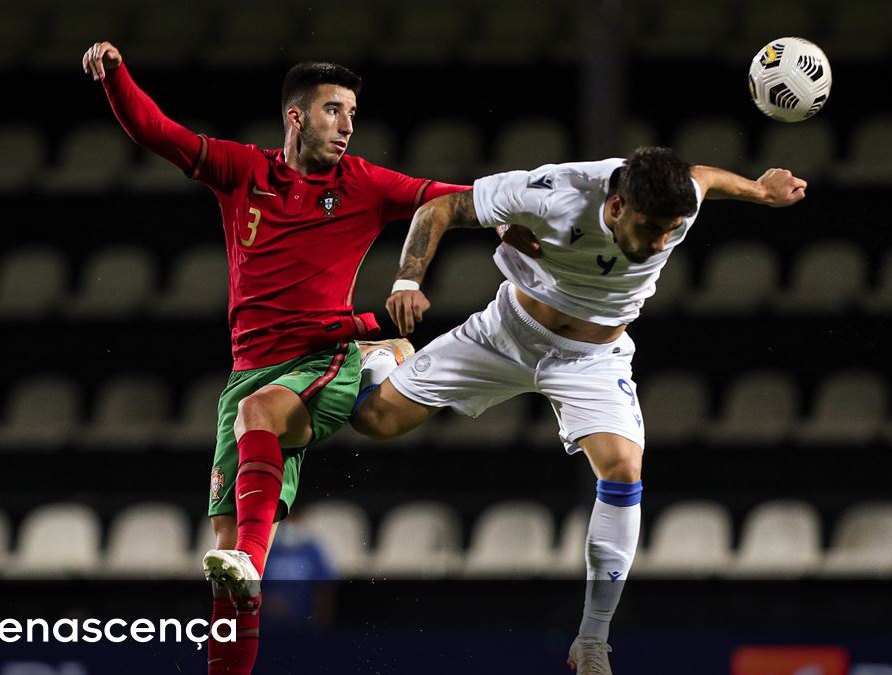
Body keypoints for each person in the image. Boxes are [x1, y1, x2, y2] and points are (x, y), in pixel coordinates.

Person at [81, 41, 535, 674]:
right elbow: (158, 132)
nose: (348, 125)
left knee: (260, 430)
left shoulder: (364, 183)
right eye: (333, 110)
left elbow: (451, 197)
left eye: (353, 112)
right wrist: (115, 77)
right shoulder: (244, 172)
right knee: (221, 560)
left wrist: (514, 214)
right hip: (247, 373)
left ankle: (381, 367)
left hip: (321, 357)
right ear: (296, 117)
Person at [351, 147, 807, 674]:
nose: (661, 243)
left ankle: (592, 639)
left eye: (671, 229)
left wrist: (758, 188)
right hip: (507, 335)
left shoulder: (679, 200)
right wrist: (408, 280)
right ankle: (388, 355)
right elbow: (440, 209)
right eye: (651, 228)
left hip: (592, 358)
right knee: (375, 422)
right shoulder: (555, 191)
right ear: (615, 207)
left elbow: (704, 176)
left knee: (623, 467)